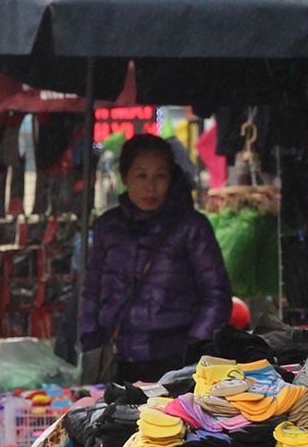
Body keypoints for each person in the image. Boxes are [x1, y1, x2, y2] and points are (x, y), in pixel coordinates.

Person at [80, 132, 232, 382]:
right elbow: (91, 290)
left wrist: (193, 350)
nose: (150, 186)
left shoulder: (191, 227)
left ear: (171, 178)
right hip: (116, 360)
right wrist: (91, 341)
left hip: (174, 362)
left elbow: (216, 295)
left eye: (160, 175)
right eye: (141, 175)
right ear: (125, 177)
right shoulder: (108, 226)